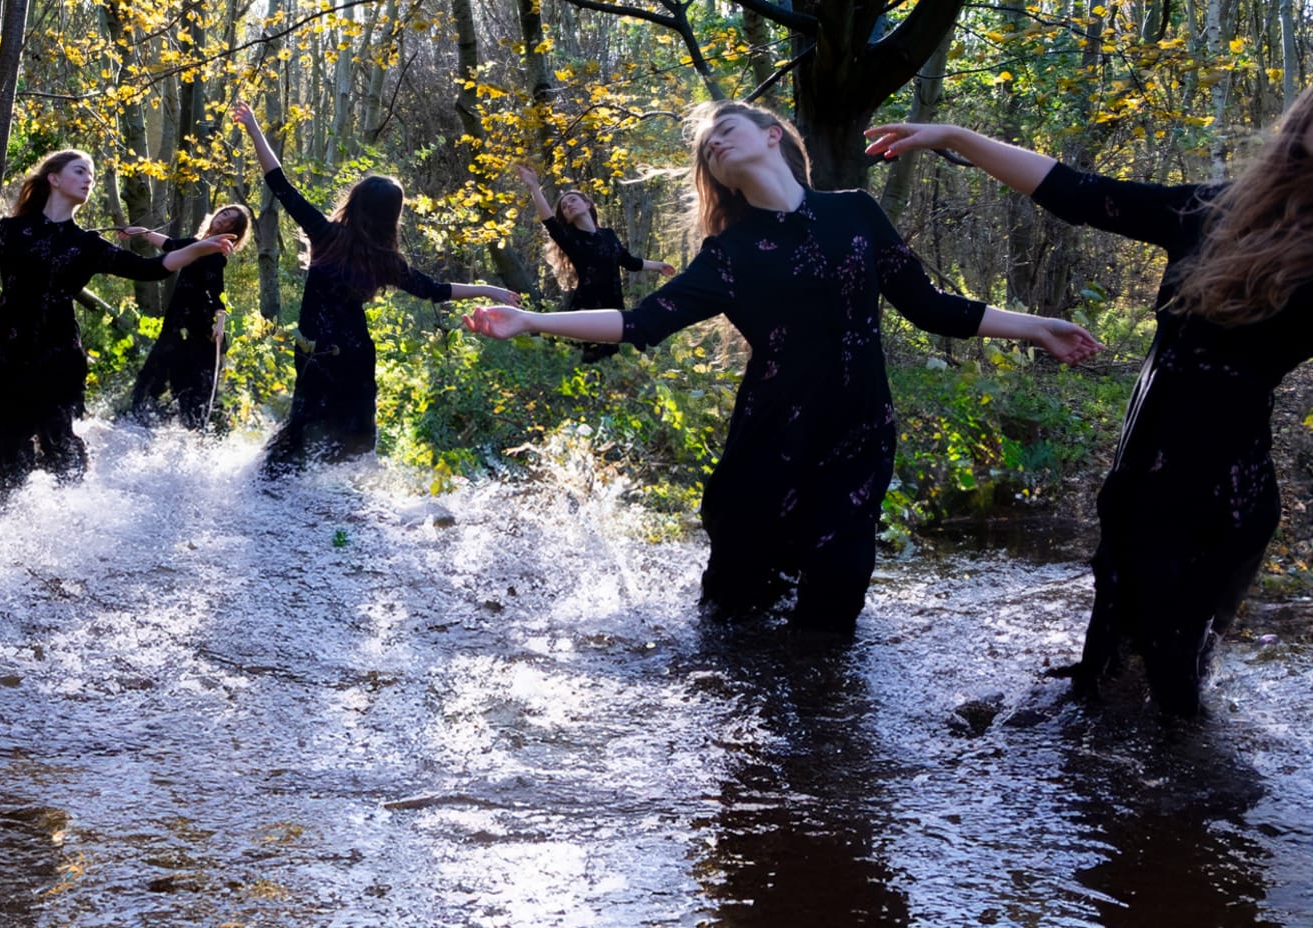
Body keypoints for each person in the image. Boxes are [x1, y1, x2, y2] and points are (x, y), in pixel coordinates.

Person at [464, 101, 1100, 630]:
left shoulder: (857, 212)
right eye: (705, 148)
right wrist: (531, 320)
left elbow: (930, 307)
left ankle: (826, 765)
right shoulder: (730, 253)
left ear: (773, 137)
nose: (713, 145)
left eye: (725, 132)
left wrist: (1034, 327)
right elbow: (639, 322)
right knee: (733, 618)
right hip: (769, 445)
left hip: (858, 434)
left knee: (834, 611)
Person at [865, 105, 1313, 715]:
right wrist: (955, 136)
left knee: (1168, 695)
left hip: (1224, 495)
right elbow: (1076, 192)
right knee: (1108, 689)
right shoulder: (1214, 212)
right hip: (1142, 482)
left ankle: (1188, 800)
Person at [0, 149, 233, 487]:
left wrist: (199, 249)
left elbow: (153, 269)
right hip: (4, 351)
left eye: (92, 175)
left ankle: (67, 529)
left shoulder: (87, 245)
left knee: (59, 442)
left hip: (58, 354)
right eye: (80, 171)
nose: (89, 179)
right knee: (6, 446)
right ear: (54, 178)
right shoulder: (11, 232)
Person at [231, 101, 522, 476]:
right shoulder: (385, 260)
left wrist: (255, 129)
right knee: (354, 440)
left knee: (300, 436)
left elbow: (280, 184)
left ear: (354, 202)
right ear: (391, 216)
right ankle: (345, 505)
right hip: (350, 355)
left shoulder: (327, 234)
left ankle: (271, 496)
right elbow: (434, 290)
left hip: (316, 351)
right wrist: (487, 289)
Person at [516, 162, 674, 360]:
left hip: (613, 306)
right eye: (564, 207)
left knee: (610, 361)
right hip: (586, 308)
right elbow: (548, 221)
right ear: (565, 217)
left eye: (572, 200)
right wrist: (533, 186)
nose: (568, 205)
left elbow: (630, 262)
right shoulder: (571, 239)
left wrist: (659, 266)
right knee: (585, 361)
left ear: (587, 204)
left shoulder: (609, 235)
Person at [121, 204, 250, 430]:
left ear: (234, 231)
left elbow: (218, 292)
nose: (223, 221)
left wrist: (220, 323)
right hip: (177, 321)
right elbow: (169, 245)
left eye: (230, 221)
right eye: (223, 214)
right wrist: (140, 231)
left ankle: (179, 431)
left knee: (188, 386)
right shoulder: (196, 244)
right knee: (154, 376)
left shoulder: (216, 255)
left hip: (197, 325)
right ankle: (141, 424)